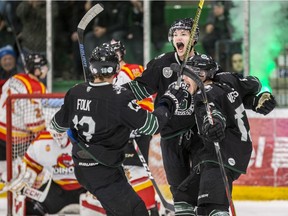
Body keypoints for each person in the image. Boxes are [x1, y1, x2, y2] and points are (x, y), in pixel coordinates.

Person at [123, 17, 277, 215]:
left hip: (200, 133)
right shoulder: (162, 63)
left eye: (184, 34)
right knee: (180, 193)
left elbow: (223, 92)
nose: (178, 37)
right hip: (171, 135)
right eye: (175, 34)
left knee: (205, 188)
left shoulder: (206, 64)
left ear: (193, 39)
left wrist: (255, 102)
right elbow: (138, 89)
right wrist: (110, 97)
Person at [49, 43, 185, 216]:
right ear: (116, 69)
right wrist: (170, 101)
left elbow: (56, 125)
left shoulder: (76, 92)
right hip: (101, 171)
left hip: (89, 166)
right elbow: (152, 125)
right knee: (136, 211)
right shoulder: (119, 98)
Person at [175, 54, 266, 215]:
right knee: (184, 196)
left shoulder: (204, 93)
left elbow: (212, 113)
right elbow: (254, 84)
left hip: (221, 155)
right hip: (231, 152)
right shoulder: (226, 84)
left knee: (212, 207)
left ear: (201, 75)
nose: (184, 80)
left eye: (188, 74)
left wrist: (214, 125)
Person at [111, 39, 159, 215]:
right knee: (132, 170)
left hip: (134, 127)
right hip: (140, 124)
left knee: (134, 170)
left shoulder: (121, 74)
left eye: (113, 52)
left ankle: (150, 209)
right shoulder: (136, 68)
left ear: (120, 53)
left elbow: (121, 102)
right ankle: (149, 207)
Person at [2, 130, 86, 215]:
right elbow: (31, 166)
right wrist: (21, 175)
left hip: (88, 189)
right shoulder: (42, 140)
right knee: (28, 209)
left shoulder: (85, 138)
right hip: (57, 190)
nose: (59, 135)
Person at [0, 53, 48, 178]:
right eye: (44, 67)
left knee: (4, 171)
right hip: (14, 139)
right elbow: (33, 126)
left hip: (2, 129)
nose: (46, 69)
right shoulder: (38, 88)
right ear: (37, 70)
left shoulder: (14, 78)